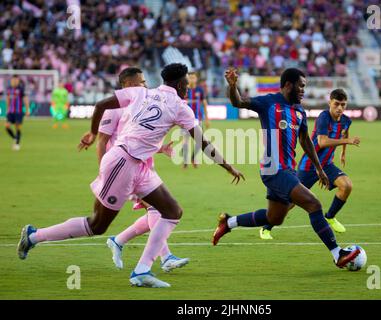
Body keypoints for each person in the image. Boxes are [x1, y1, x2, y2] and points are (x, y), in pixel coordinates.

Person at [17, 63, 244, 288]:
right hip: (123, 163)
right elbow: (203, 143)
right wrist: (228, 167)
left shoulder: (141, 92)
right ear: (178, 83)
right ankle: (34, 236)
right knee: (97, 225)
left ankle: (142, 270)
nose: (189, 87)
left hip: (139, 166)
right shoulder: (180, 107)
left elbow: (101, 104)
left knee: (172, 211)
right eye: (186, 82)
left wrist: (92, 132)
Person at [212, 67, 361, 269]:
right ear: (288, 85)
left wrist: (319, 168)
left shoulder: (299, 111)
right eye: (300, 86)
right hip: (273, 168)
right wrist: (232, 86)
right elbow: (238, 101)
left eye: (304, 87)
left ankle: (228, 222)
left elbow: (305, 140)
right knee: (314, 204)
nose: (303, 91)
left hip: (287, 170)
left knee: (275, 217)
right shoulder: (268, 103)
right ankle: (337, 254)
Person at [97, 67, 189, 272]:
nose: (145, 86)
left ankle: (118, 240)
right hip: (122, 167)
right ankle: (165, 258)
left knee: (157, 212)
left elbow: (141, 136)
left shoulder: (141, 102)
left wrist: (160, 148)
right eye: (141, 82)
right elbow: (103, 141)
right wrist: (104, 173)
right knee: (158, 210)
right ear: (128, 85)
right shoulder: (114, 109)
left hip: (141, 165)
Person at [259, 89, 360, 240]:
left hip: (327, 164)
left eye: (343, 105)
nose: (339, 108)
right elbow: (322, 141)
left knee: (346, 186)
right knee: (290, 202)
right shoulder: (324, 117)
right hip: (309, 165)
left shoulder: (346, 120)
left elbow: (345, 132)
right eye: (336, 104)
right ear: (330, 103)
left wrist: (343, 152)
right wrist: (348, 141)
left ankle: (330, 217)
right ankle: (266, 227)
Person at [182, 71, 210, 168]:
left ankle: (193, 158)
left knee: (200, 141)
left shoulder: (200, 90)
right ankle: (185, 162)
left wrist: (207, 119)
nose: (191, 79)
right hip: (186, 120)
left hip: (198, 118)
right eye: (190, 77)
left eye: (193, 77)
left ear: (196, 79)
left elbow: (205, 104)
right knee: (185, 140)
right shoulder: (184, 89)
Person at [5, 75, 30, 150]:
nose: (15, 81)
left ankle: (17, 143)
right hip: (11, 111)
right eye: (13, 80)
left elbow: (25, 99)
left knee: (17, 127)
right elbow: (8, 99)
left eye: (16, 80)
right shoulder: (9, 89)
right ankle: (15, 138)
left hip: (18, 112)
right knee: (7, 126)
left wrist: (27, 110)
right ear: (11, 80)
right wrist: (7, 109)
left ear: (18, 81)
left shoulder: (21, 89)